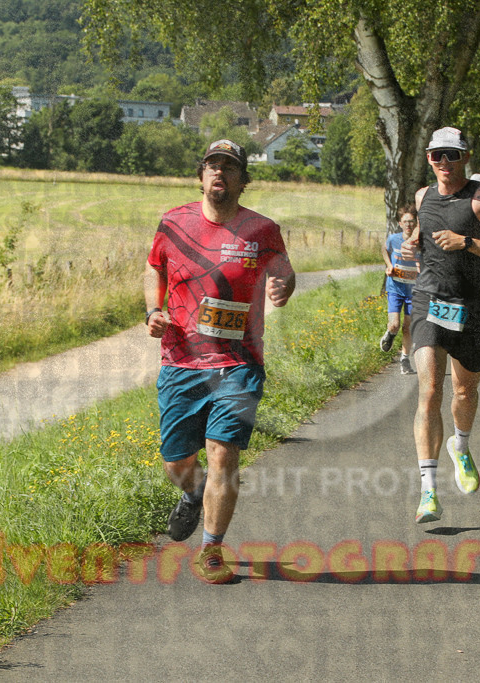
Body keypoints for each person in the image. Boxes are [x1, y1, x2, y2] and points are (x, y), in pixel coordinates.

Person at [146, 139, 295, 583]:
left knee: (223, 454)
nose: (219, 173)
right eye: (212, 165)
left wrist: (284, 286)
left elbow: (284, 270)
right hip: (181, 361)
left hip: (239, 362)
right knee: (177, 460)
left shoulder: (262, 230)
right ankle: (192, 496)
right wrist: (153, 310)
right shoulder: (173, 223)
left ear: (243, 180)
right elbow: (154, 267)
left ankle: (212, 549)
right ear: (200, 175)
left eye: (229, 167)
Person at [400, 126, 480, 523]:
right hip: (429, 299)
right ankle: (428, 491)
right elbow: (423, 228)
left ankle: (461, 447)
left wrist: (467, 242)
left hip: (472, 306)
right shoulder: (422, 195)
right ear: (429, 159)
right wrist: (414, 240)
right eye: (437, 156)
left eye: (452, 155)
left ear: (465, 157)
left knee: (464, 393)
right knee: (430, 390)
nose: (444, 163)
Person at [380, 206, 420, 374]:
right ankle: (389, 333)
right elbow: (384, 249)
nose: (409, 225)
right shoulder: (393, 239)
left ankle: (404, 359)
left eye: (412, 221)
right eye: (405, 221)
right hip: (395, 288)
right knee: (395, 324)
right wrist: (389, 266)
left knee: (408, 326)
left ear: (416, 223)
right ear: (400, 223)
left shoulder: (420, 242)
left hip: (413, 291)